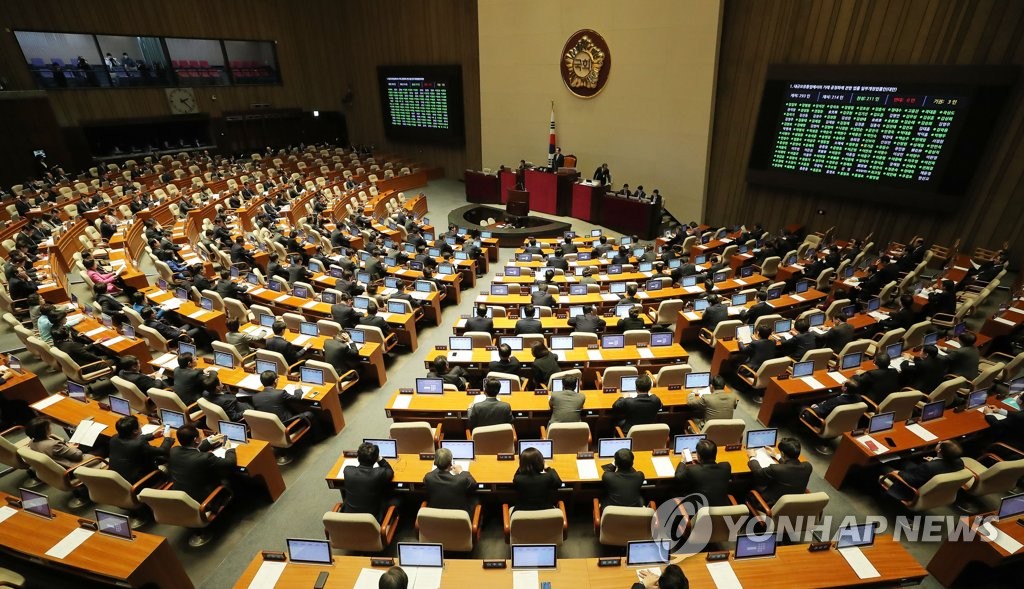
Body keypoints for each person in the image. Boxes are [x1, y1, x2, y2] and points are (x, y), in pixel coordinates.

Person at [168, 424, 235, 502]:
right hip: (202, 500)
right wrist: (229, 449)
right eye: (200, 435)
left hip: (179, 497)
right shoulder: (205, 457)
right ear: (196, 439)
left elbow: (192, 450)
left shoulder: (173, 450)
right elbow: (230, 463)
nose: (202, 436)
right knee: (227, 478)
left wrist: (210, 440)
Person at [883, 440, 964, 501]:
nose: (939, 442)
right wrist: (935, 461)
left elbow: (912, 481)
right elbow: (942, 467)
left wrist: (898, 472)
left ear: (939, 450)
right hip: (934, 487)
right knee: (905, 462)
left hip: (912, 489)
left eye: (940, 443)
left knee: (884, 467)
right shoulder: (959, 462)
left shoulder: (929, 467)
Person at [748, 437, 812, 506]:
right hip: (794, 504)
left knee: (752, 481)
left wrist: (752, 457)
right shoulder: (808, 466)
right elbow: (791, 466)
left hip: (770, 504)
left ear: (782, 453)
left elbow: (758, 473)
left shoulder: (776, 469)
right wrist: (776, 455)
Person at [109, 415, 173, 483]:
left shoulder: (114, 438)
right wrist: (167, 438)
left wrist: (152, 435)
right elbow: (163, 451)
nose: (141, 426)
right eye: (140, 424)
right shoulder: (139, 445)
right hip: (139, 482)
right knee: (167, 466)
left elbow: (134, 439)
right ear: (135, 431)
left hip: (117, 479)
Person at [341, 442, 395, 521]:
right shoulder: (380, 473)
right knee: (398, 500)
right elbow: (390, 472)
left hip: (348, 520)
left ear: (358, 457)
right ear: (375, 459)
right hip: (371, 521)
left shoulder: (347, 470)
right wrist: (380, 459)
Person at [251, 370, 318, 432]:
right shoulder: (280, 393)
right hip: (285, 426)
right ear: (276, 381)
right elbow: (297, 398)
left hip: (269, 427)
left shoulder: (255, 397)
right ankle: (318, 437)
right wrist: (298, 389)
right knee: (309, 414)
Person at [674, 439, 732, 507]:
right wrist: (701, 461)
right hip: (722, 510)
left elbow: (678, 477)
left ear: (698, 456)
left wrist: (683, 460)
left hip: (700, 511)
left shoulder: (692, 470)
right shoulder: (726, 466)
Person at [423, 447, 478, 513]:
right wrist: (461, 471)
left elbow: (432, 474)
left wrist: (439, 465)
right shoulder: (462, 479)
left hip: (436, 516)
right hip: (458, 516)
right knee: (476, 500)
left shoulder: (428, 478)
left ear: (435, 462)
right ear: (450, 462)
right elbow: (474, 485)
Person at [26, 418, 98, 469]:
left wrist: (66, 446)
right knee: (102, 448)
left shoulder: (31, 442)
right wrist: (71, 448)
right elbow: (78, 455)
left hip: (59, 463)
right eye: (48, 426)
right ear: (45, 430)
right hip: (73, 467)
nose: (51, 427)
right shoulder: (53, 445)